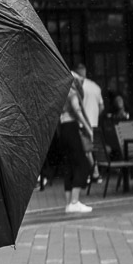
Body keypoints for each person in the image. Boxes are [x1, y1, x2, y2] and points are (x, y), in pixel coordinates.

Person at [57, 70, 94, 215]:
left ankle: (68, 204)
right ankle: (74, 201)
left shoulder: (59, 94)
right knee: (81, 163)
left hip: (63, 130)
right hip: (71, 128)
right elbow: (77, 111)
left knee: (69, 166)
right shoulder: (71, 93)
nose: (80, 83)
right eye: (78, 80)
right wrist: (88, 129)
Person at [76, 64, 102, 183]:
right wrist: (95, 115)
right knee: (94, 149)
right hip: (94, 123)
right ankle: (95, 172)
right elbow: (102, 106)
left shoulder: (79, 85)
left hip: (83, 123)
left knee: (86, 151)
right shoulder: (95, 87)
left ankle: (94, 173)